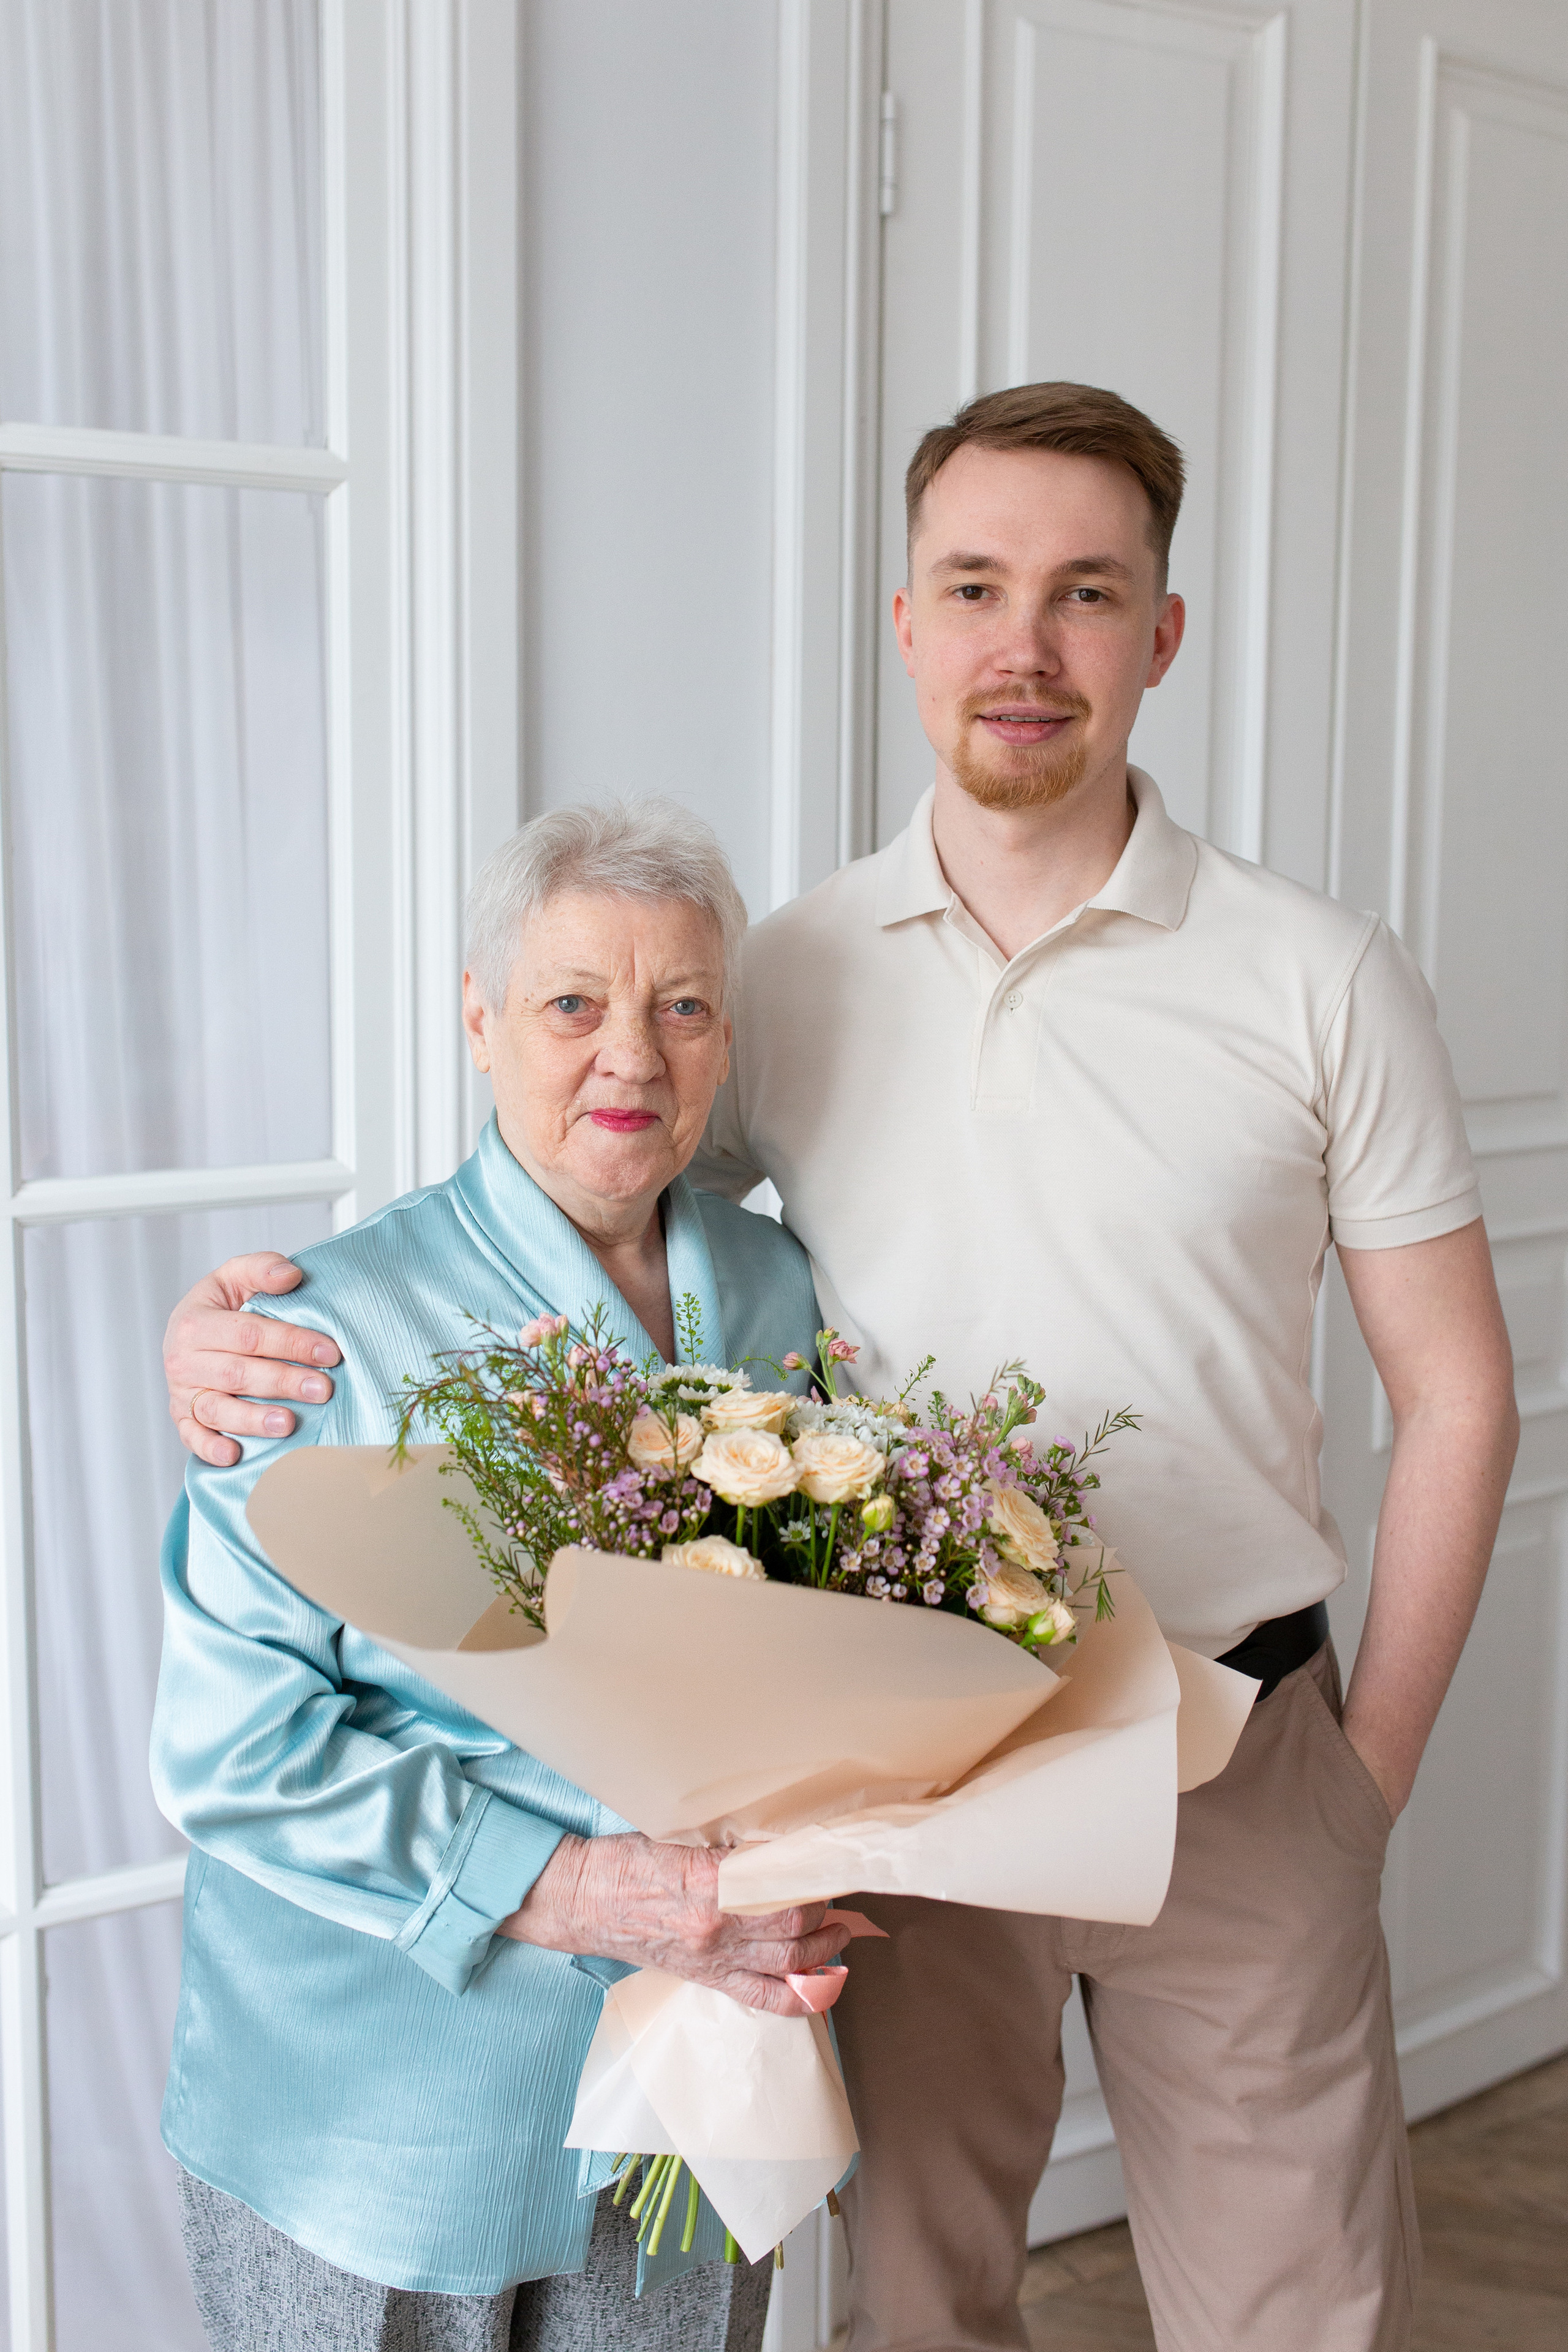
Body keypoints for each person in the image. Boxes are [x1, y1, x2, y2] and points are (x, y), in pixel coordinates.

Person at [164, 383, 1519, 2352]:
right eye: (974, 586)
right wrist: (238, 1331)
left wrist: (1363, 1782)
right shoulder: (782, 972)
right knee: (909, 2312)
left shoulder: (1324, 975)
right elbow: (589, 1208)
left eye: (1084, 592)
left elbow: (1457, 1392)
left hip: (1235, 1756)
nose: (1024, 644)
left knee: (1301, 2313)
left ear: (1162, 633)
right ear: (907, 624)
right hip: (911, 1781)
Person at [152, 800, 847, 2352]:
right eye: (572, 1004)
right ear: (478, 1018)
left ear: (726, 1039)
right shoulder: (313, 1335)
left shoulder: (776, 1289)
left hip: (685, 2090)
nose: (632, 1057)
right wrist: (590, 1891)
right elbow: (231, 1752)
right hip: (376, 2126)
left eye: (682, 1007)